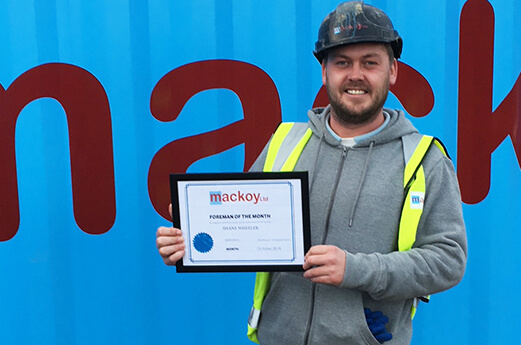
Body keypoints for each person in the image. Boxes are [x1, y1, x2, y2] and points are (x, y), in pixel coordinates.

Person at [156, 1, 467, 344]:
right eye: (342, 63)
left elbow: (448, 259)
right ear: (325, 72)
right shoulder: (285, 143)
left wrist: (357, 269)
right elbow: (244, 229)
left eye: (370, 63)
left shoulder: (424, 159)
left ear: (392, 71)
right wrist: (192, 237)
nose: (355, 75)